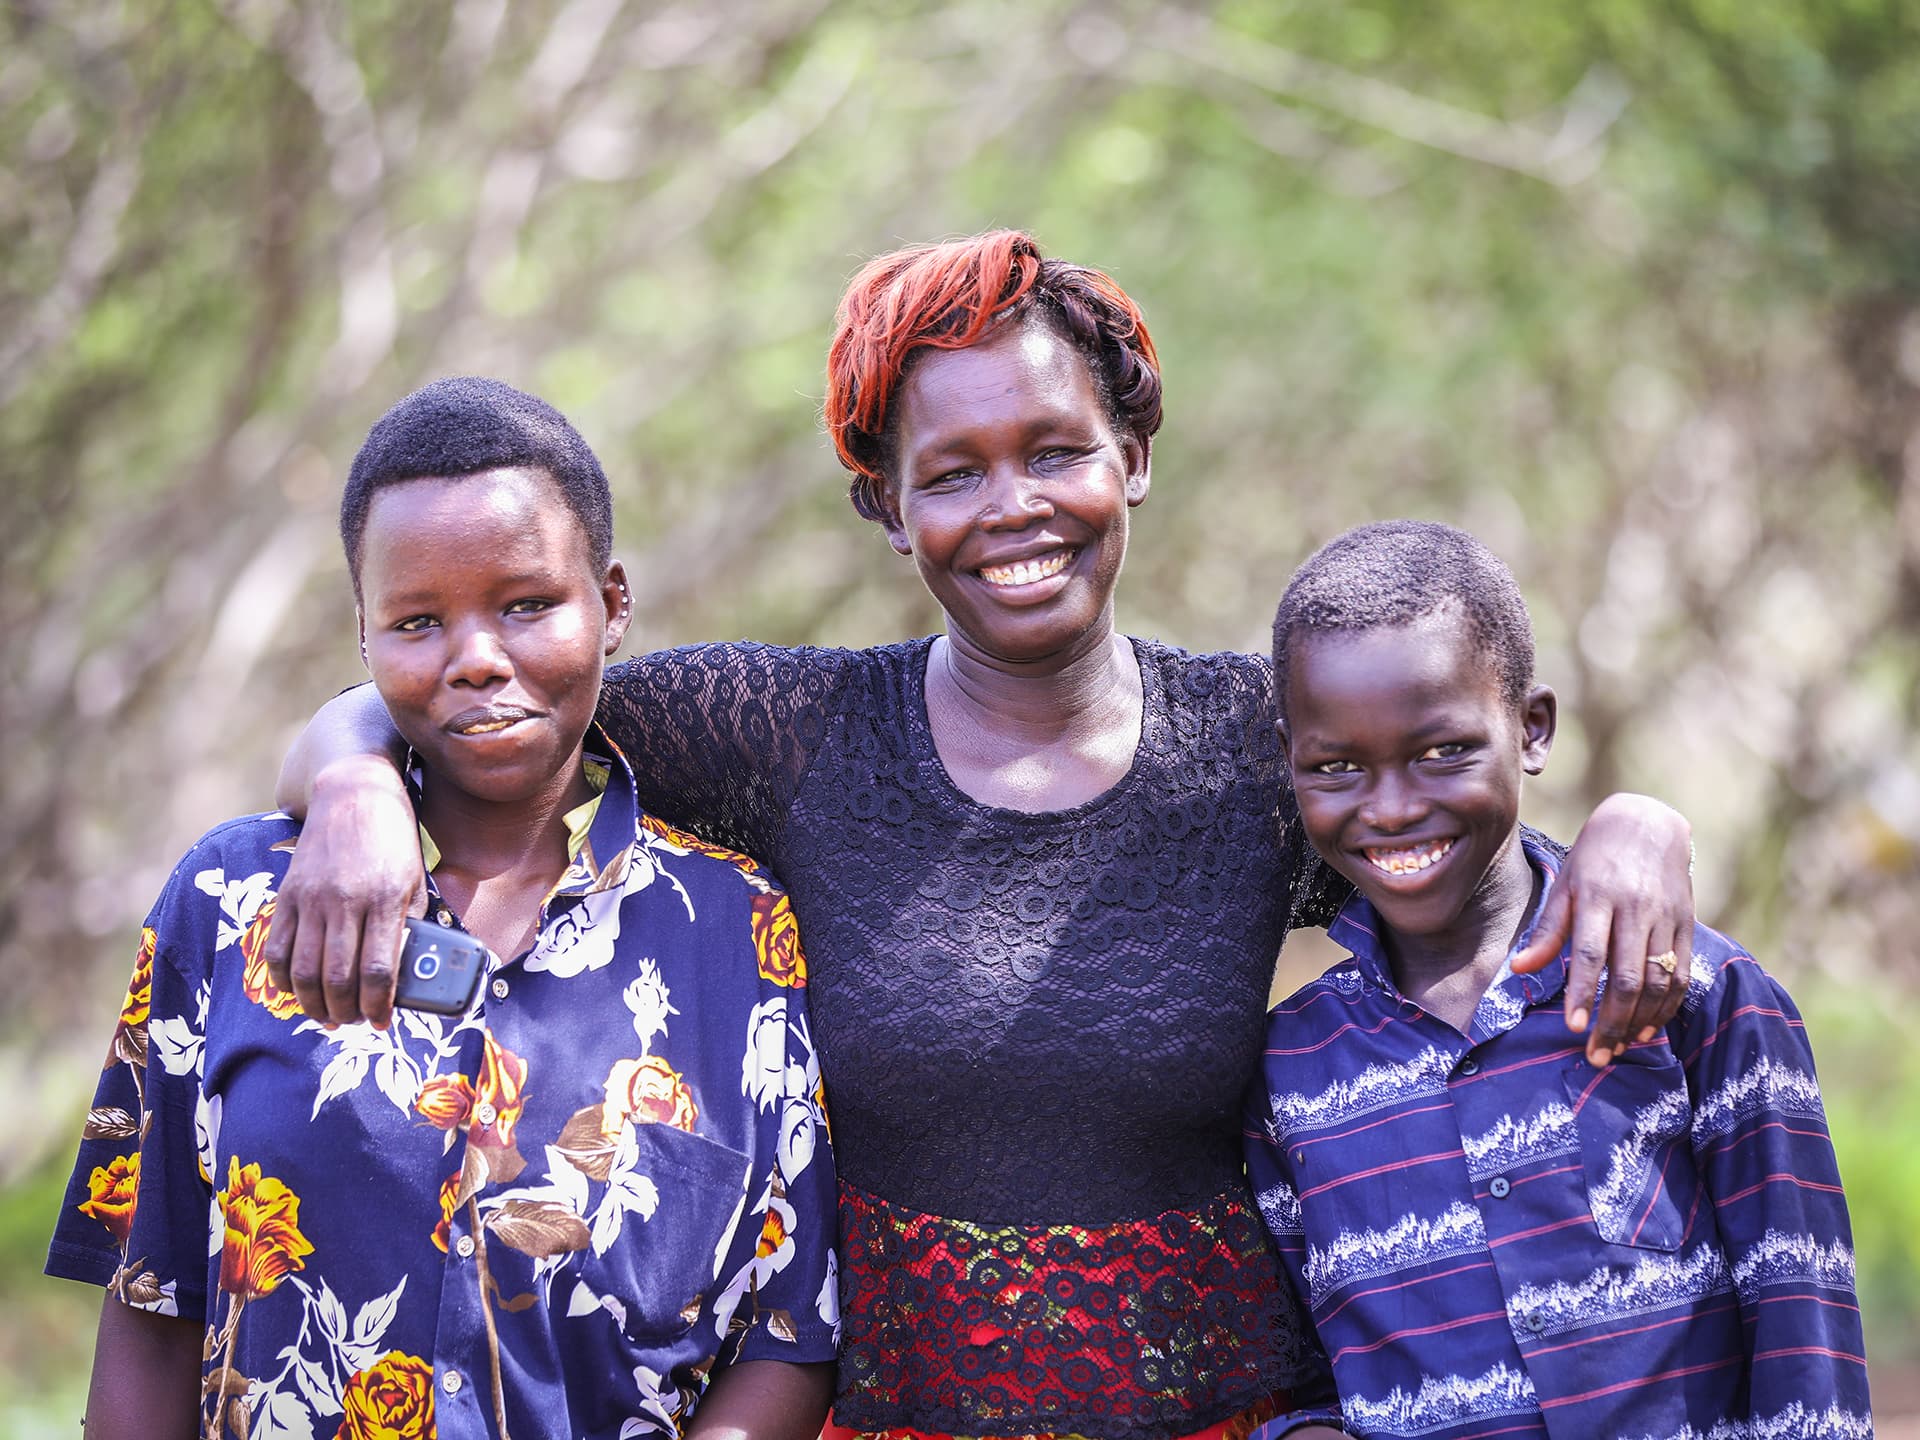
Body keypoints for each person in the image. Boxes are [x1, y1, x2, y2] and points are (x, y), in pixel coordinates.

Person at [265, 234, 1698, 1440]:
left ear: (1130, 459)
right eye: (953, 473)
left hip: (1236, 1413)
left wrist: (1634, 828)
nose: (1014, 507)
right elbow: (486, 691)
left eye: (1055, 451)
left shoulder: (1255, 748)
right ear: (886, 507)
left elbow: (1465, 849)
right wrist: (345, 787)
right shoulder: (788, 733)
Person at [46, 378, 839, 1440]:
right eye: (419, 620)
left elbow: (789, 1338)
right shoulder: (231, 904)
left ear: (613, 603)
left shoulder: (739, 928)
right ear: (364, 638)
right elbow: (152, 1310)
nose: (475, 657)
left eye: (526, 605)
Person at [1245, 520, 1871, 1439]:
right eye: (1337, 768)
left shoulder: (1695, 992)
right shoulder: (1290, 1070)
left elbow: (1804, 1340)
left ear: (1531, 728)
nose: (1393, 806)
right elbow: (1299, 1380)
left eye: (1441, 750)